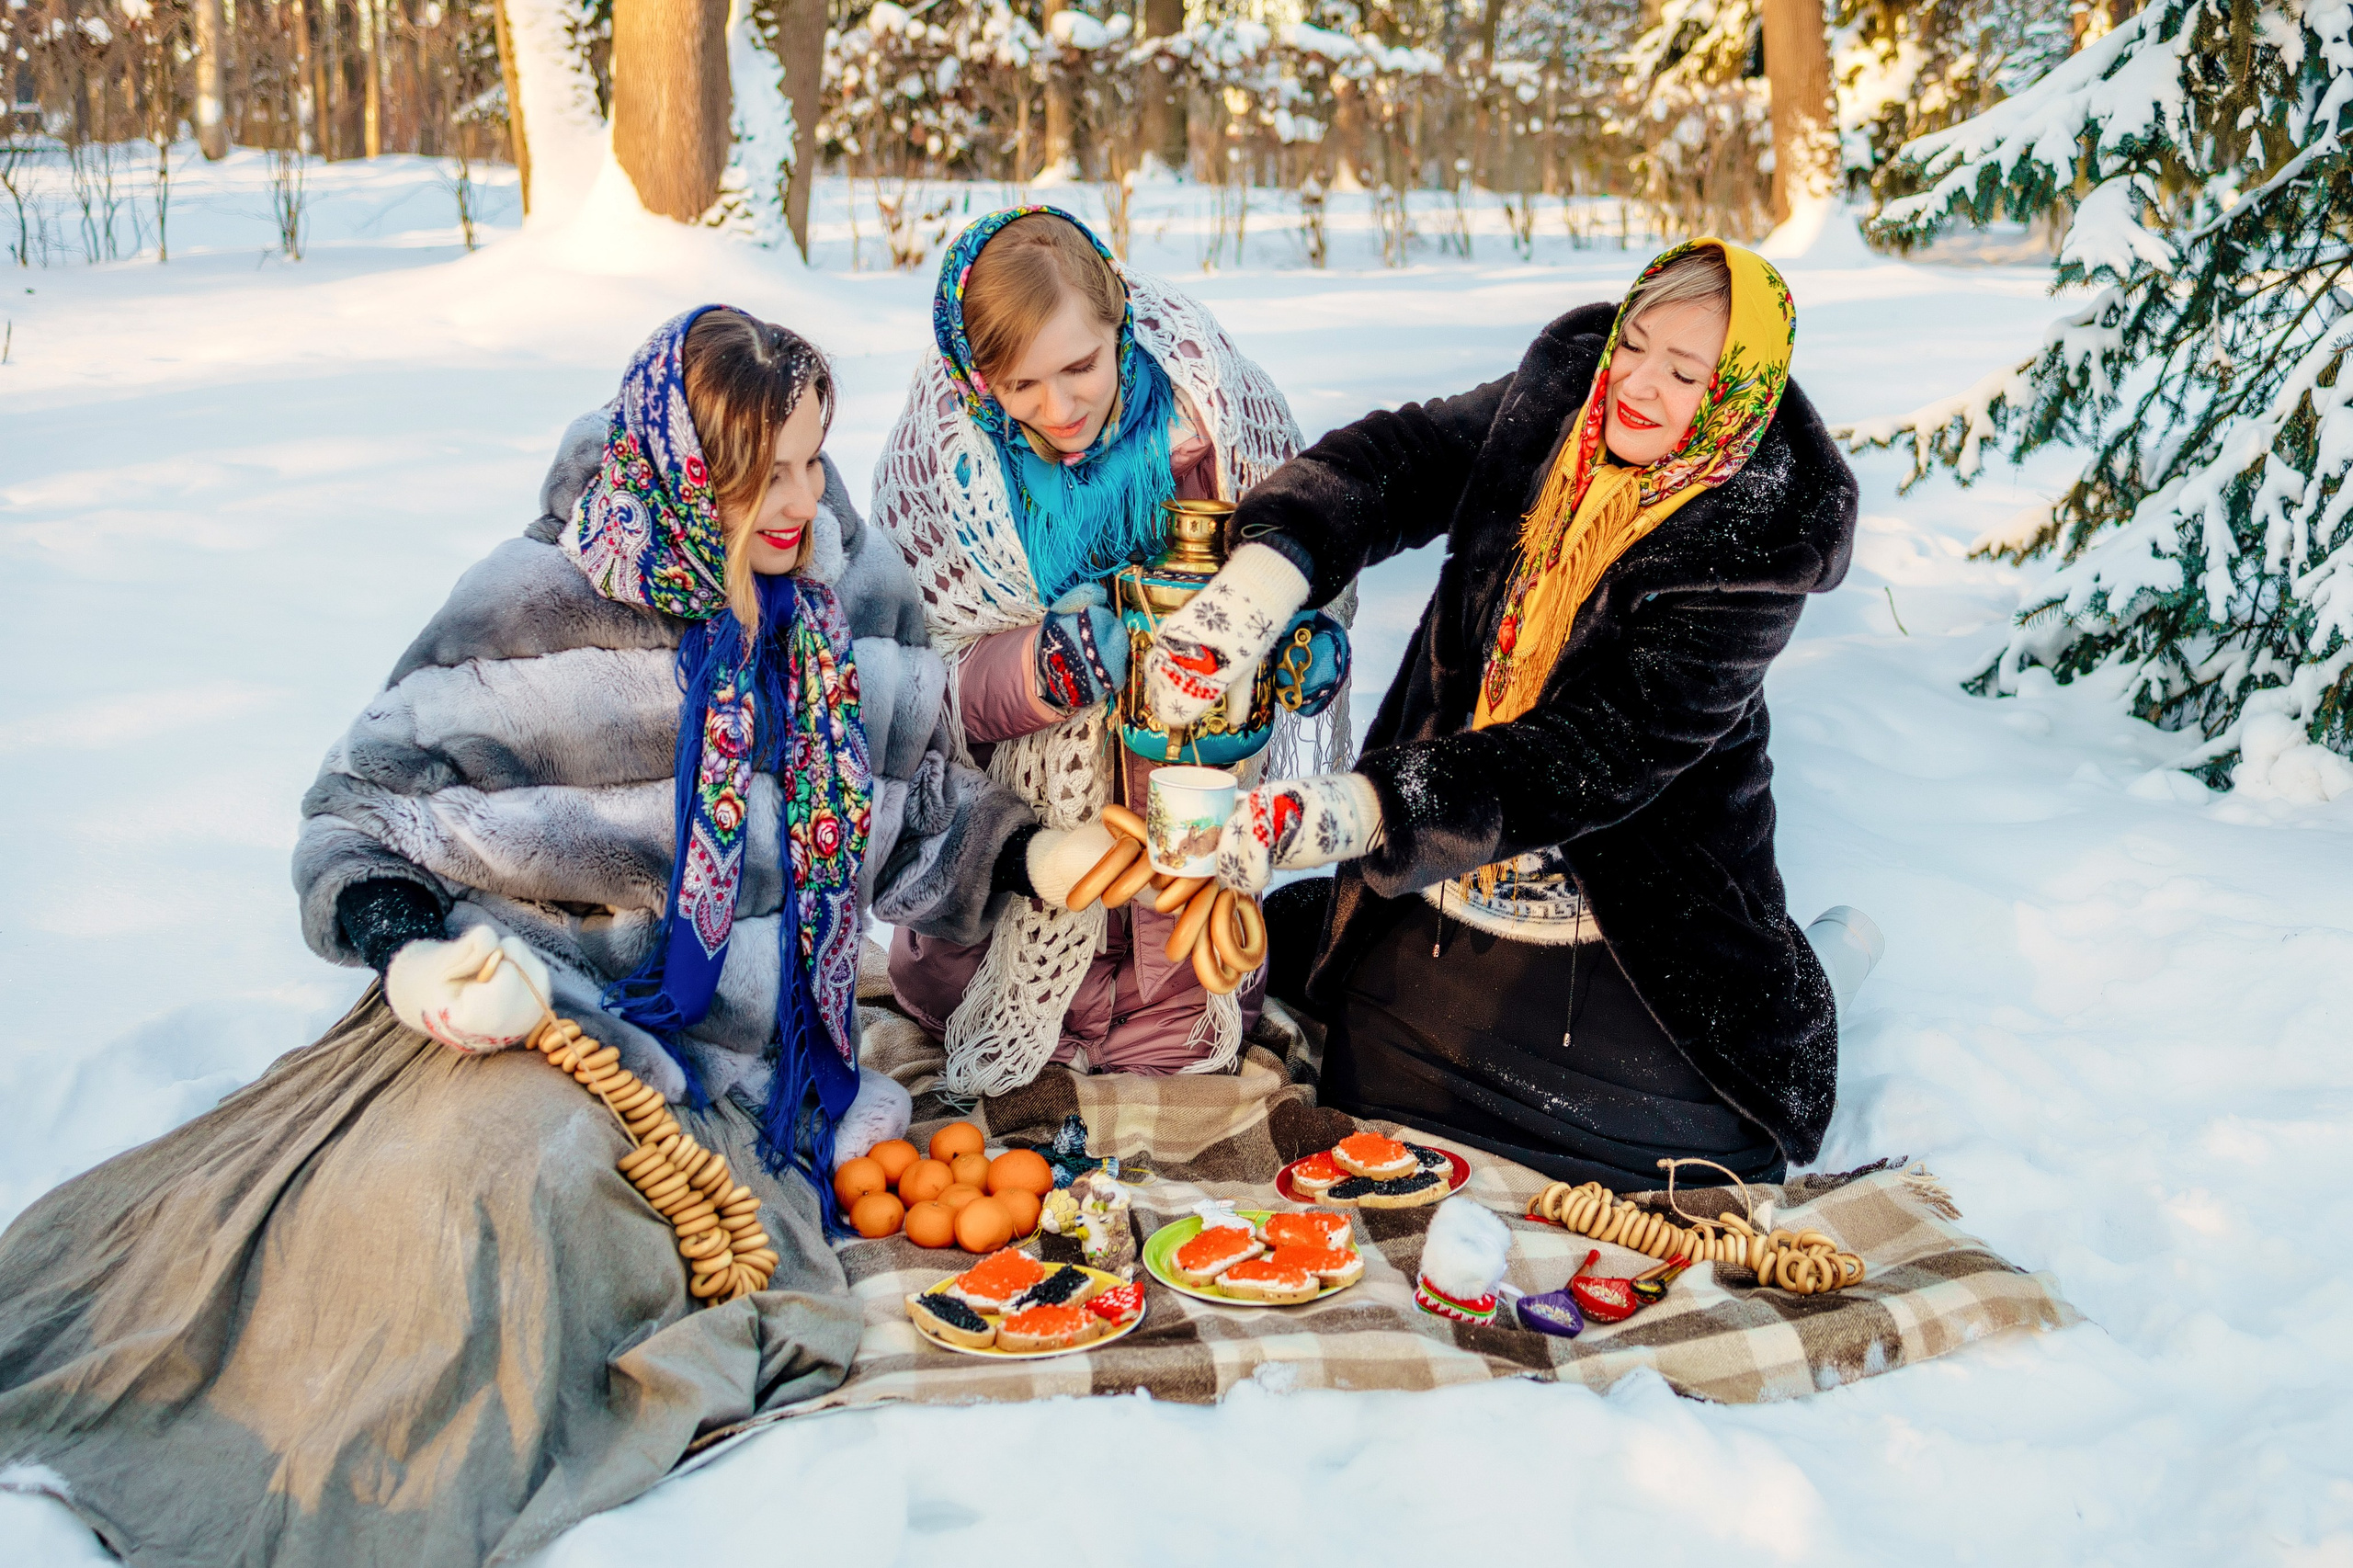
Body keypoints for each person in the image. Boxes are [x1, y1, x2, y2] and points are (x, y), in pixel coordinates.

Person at [0, 307, 969, 1565]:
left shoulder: (853, 595)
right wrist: (413, 954)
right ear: (689, 470)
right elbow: (361, 806)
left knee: (561, 1209)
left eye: (811, 459)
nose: (800, 501)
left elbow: (925, 817)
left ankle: (390, 1456)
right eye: (762, 474)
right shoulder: (540, 602)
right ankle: (284, 1463)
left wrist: (1024, 853)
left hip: (731, 1086)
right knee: (446, 1201)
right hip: (515, 998)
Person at [1142, 239, 1880, 1190]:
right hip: (1461, 870)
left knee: (1683, 1143)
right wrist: (1258, 582)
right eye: (1634, 344)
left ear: (1737, 393)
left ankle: (1816, 968)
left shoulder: (1757, 539)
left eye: (1684, 371)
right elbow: (1399, 458)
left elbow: (1586, 752)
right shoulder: (1561, 399)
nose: (1638, 384)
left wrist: (1347, 811)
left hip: (1634, 907)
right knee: (1375, 1075)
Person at [872, 206, 1341, 1094]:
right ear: (978, 383)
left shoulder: (1222, 429)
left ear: (1118, 320)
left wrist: (1294, 649)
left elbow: (1300, 572)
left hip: (1185, 955)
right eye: (1021, 386)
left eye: (1080, 366)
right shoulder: (942, 473)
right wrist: (1045, 666)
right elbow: (907, 696)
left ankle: (1162, 1008)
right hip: (990, 943)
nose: (1061, 407)